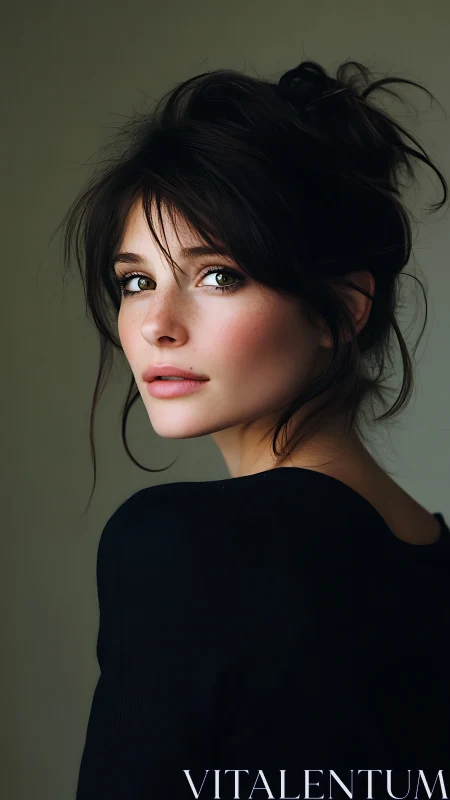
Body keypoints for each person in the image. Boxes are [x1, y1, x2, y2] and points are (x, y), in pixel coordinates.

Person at [56, 59, 450, 798]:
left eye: (217, 275)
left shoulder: (183, 551)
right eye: (136, 279)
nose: (156, 326)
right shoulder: (432, 568)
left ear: (344, 307)